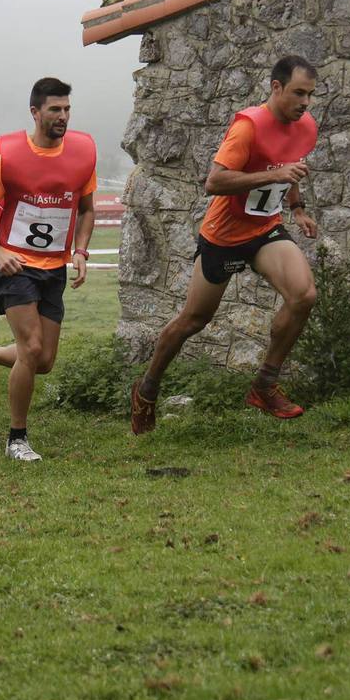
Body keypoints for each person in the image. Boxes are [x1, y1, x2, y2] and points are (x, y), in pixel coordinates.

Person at [130, 55, 320, 433]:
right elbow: (214, 183)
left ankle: (264, 385)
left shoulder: (306, 126)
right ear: (276, 87)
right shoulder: (248, 128)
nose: (305, 102)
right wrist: (275, 175)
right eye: (299, 93)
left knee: (304, 296)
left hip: (265, 231)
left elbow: (290, 164)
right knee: (194, 320)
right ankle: (146, 388)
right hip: (224, 237)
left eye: (311, 95)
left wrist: (296, 208)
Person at [0, 77, 97, 462]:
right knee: (30, 348)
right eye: (54, 110)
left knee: (44, 361)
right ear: (35, 112)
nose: (62, 116)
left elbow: (86, 209)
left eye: (66, 109)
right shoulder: (10, 156)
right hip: (15, 265)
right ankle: (17, 438)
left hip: (54, 268)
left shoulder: (83, 152)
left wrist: (81, 251)